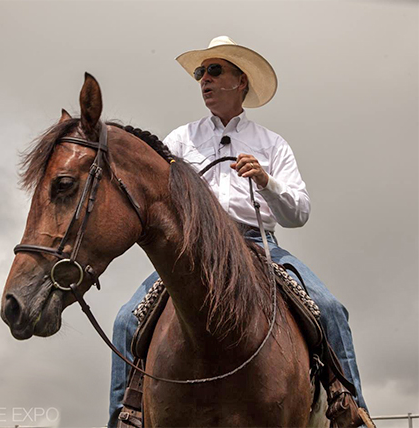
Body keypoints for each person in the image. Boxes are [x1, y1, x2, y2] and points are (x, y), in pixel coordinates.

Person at [108, 36, 369, 427]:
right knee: (126, 318)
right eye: (200, 73)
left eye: (214, 70)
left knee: (330, 309)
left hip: (259, 246)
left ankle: (352, 409)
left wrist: (266, 181)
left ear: (241, 80)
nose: (204, 80)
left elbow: (299, 213)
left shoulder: (272, 144)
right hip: (194, 253)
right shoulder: (180, 140)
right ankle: (123, 415)